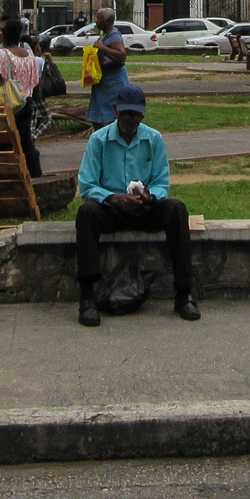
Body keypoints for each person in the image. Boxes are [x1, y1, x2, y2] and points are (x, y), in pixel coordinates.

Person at [73, 86, 198, 326]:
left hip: (143, 208)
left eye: (135, 115)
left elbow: (162, 182)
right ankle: (87, 296)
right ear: (115, 111)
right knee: (87, 213)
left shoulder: (153, 139)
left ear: (143, 115)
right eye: (126, 114)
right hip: (112, 209)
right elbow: (87, 184)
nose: (130, 121)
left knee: (176, 209)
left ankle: (184, 293)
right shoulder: (99, 140)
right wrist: (114, 198)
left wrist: (150, 197)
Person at [0, 17, 43, 177]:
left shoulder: (2, 54)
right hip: (26, 103)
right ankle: (35, 175)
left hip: (7, 104)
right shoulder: (29, 55)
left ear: (4, 35)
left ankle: (11, 177)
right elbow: (34, 81)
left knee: (5, 143)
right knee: (26, 141)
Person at [83, 7, 131, 128]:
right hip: (102, 83)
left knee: (113, 116)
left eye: (100, 18)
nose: (97, 21)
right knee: (97, 118)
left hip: (113, 83)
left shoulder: (114, 35)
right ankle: (101, 142)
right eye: (97, 18)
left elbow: (121, 55)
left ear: (108, 21)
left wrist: (103, 48)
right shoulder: (104, 35)